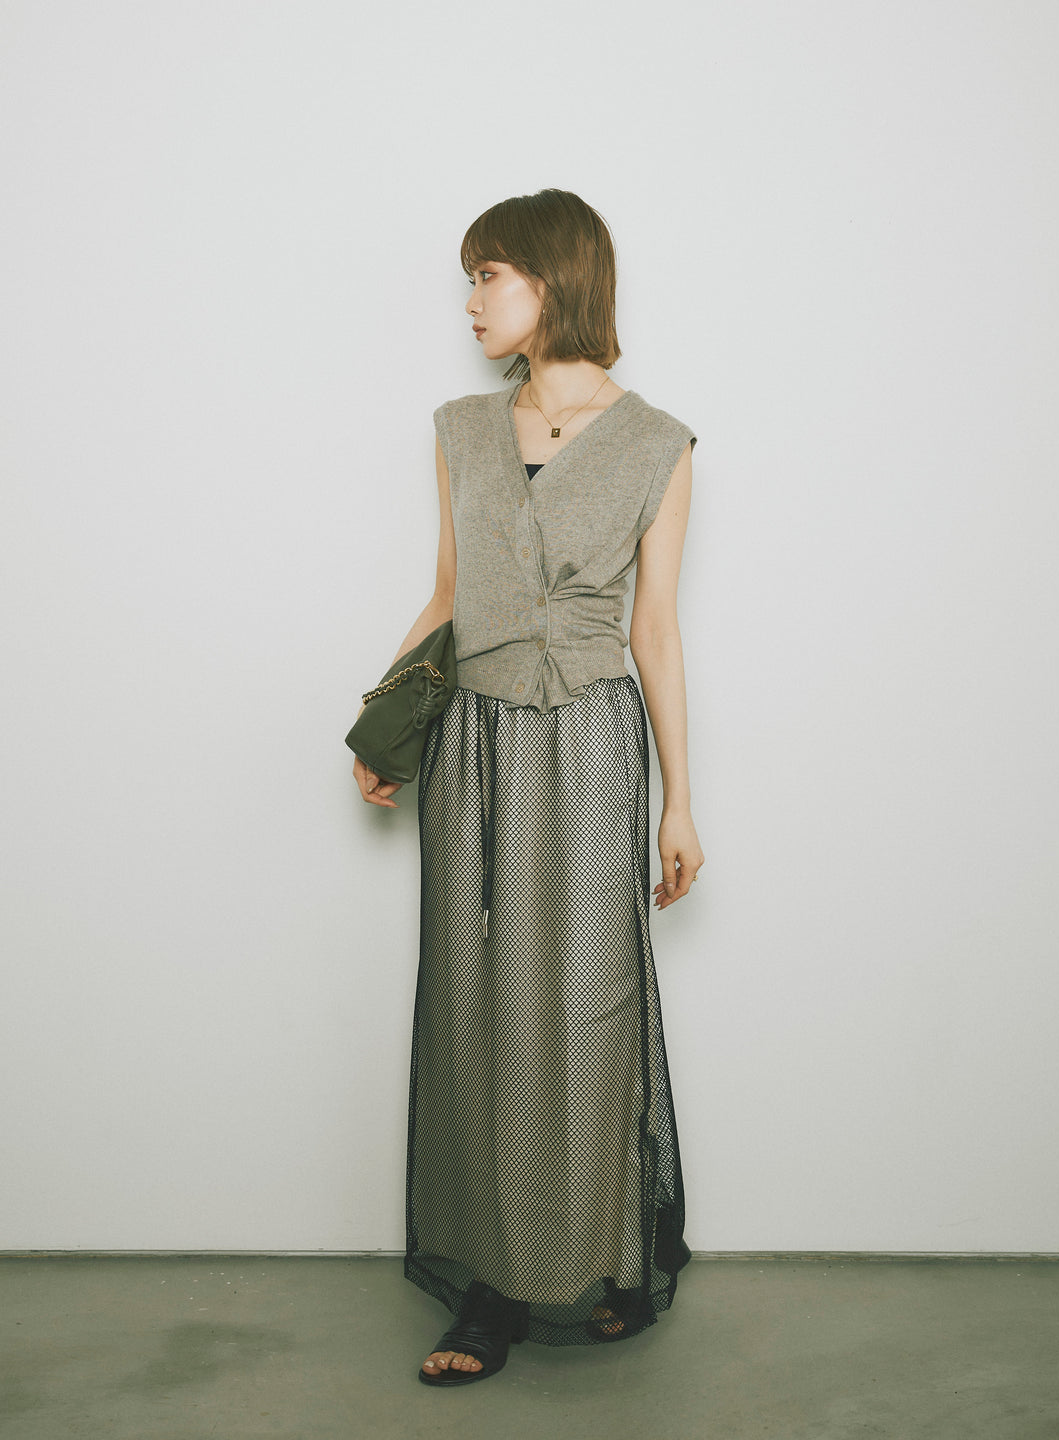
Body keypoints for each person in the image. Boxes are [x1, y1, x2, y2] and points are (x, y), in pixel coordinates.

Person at [351, 188, 704, 1387]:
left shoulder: (659, 443)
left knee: (588, 1003)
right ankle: (491, 1288)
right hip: (473, 741)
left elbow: (655, 632)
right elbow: (449, 597)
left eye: (488, 274)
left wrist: (681, 801)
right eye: (471, 276)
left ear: (552, 279)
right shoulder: (461, 428)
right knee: (477, 1004)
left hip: (594, 739)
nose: (470, 301)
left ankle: (608, 1258)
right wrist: (384, 726)